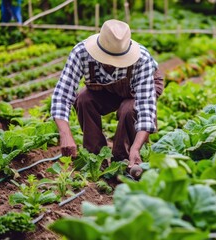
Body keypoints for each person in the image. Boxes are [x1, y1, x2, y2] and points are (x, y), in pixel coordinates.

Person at [51, 19, 163, 169]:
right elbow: (61, 95)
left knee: (129, 109)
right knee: (84, 99)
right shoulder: (81, 53)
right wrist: (65, 135)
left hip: (138, 88)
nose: (111, 63)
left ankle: (123, 160)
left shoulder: (141, 59)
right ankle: (96, 159)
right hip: (106, 90)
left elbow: (146, 109)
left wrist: (136, 148)